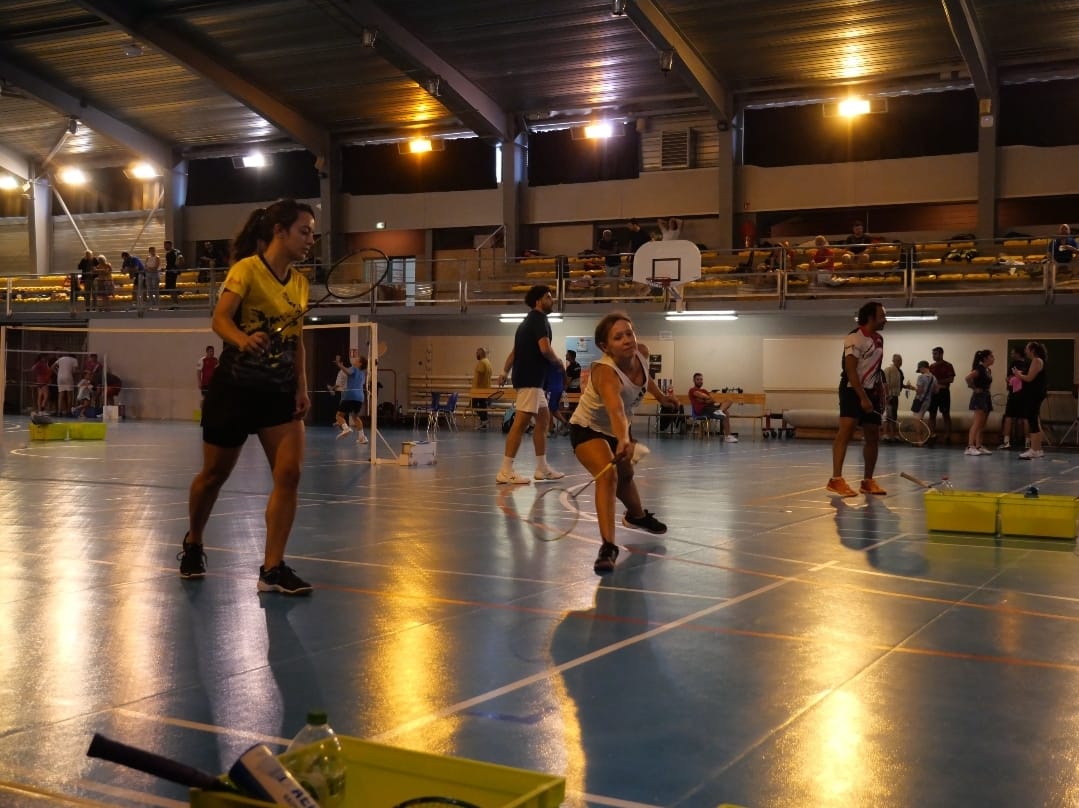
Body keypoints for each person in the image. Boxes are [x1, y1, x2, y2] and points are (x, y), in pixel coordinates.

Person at [179, 199, 315, 595]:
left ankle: (272, 569)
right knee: (213, 477)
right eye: (304, 231)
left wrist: (302, 387)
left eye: (313, 233)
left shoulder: (301, 283)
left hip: (279, 393)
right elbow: (220, 319)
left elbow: (297, 341)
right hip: (235, 390)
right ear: (279, 232)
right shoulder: (246, 270)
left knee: (289, 474)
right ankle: (194, 542)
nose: (311, 239)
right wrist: (242, 339)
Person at [568, 311, 680, 573]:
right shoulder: (605, 373)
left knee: (626, 476)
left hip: (618, 430)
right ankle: (608, 546)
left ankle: (636, 516)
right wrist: (623, 438)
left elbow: (644, 377)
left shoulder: (641, 353)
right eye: (618, 337)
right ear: (605, 347)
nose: (627, 340)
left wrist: (661, 398)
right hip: (588, 428)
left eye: (629, 333)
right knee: (608, 477)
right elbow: (616, 409)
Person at [495, 284, 564, 484]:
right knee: (520, 424)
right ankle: (505, 471)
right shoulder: (539, 319)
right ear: (539, 301)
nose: (552, 300)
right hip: (531, 379)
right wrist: (558, 362)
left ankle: (542, 468)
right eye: (548, 297)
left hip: (533, 381)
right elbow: (545, 349)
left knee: (543, 420)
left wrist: (504, 371)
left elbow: (514, 352)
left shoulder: (525, 323)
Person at [828, 300, 887, 497]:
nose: (885, 319)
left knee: (873, 436)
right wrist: (862, 397)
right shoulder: (854, 338)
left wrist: (879, 393)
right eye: (882, 315)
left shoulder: (879, 339)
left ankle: (868, 482)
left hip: (871, 392)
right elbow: (851, 370)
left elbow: (875, 370)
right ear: (871, 317)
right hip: (851, 390)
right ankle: (836, 480)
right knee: (845, 432)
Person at [1013, 341, 1048, 459]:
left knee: (1032, 420)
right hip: (1034, 394)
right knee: (1034, 420)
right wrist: (1021, 373)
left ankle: (1034, 449)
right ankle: (1037, 449)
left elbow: (1029, 378)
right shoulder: (1036, 361)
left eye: (1027, 349)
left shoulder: (1036, 360)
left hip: (1034, 394)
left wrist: (1018, 374)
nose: (1025, 351)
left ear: (1032, 350)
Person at [687, 373, 737, 442]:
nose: (700, 381)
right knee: (725, 414)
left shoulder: (704, 390)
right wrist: (705, 399)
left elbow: (712, 400)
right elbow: (703, 396)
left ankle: (720, 411)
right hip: (702, 410)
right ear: (694, 380)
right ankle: (728, 436)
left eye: (701, 379)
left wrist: (703, 399)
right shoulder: (692, 390)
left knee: (729, 400)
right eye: (698, 379)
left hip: (710, 407)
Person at [964, 349, 994, 456]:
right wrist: (974, 388)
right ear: (985, 358)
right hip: (979, 397)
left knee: (982, 423)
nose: (993, 359)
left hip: (986, 396)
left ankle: (979, 446)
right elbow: (967, 378)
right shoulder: (979, 369)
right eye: (991, 356)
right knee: (977, 422)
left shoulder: (988, 370)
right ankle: (970, 447)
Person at [334, 350, 368, 444]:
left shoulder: (354, 369)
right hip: (360, 397)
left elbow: (349, 372)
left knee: (339, 415)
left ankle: (346, 428)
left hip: (350, 395)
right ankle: (362, 437)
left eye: (357, 359)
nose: (355, 360)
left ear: (360, 363)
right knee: (355, 417)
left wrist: (339, 365)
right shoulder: (363, 373)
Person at [999, 347, 1028, 450]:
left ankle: (1006, 442)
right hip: (1026, 395)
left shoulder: (1013, 364)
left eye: (1013, 353)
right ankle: (1027, 442)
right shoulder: (1029, 364)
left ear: (1018, 354)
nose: (1011, 355)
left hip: (1014, 394)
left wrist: (1009, 379)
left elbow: (1009, 378)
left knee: (1009, 416)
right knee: (1025, 418)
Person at [927, 346, 956, 443]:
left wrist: (937, 382)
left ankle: (947, 436)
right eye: (933, 354)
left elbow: (951, 379)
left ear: (941, 354)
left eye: (935, 354)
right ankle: (931, 435)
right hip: (933, 394)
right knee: (932, 415)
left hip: (944, 393)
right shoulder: (931, 366)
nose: (933, 356)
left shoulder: (948, 365)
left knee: (946, 414)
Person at [882, 353, 915, 442]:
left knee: (893, 416)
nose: (899, 362)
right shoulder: (888, 370)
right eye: (897, 360)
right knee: (887, 415)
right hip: (888, 396)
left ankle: (893, 435)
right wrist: (886, 396)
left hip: (895, 395)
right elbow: (884, 383)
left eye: (900, 360)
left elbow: (900, 384)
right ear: (893, 361)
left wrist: (907, 387)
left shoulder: (900, 372)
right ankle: (885, 434)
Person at [545, 358, 569, 437]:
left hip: (551, 389)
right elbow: (565, 377)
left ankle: (550, 429)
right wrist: (564, 387)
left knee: (548, 409)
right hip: (559, 389)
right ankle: (566, 423)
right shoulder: (559, 363)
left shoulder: (547, 363)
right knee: (554, 409)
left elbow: (544, 378)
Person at [471, 347, 494, 430]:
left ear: (480, 354)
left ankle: (484, 420)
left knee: (473, 405)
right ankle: (484, 423)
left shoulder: (481, 363)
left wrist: (475, 389)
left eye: (477, 353)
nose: (476, 355)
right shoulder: (488, 362)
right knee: (483, 407)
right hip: (486, 389)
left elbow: (480, 377)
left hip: (479, 390)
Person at [164, 239, 184, 307]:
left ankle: (176, 303)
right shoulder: (168, 253)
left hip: (173, 272)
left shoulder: (176, 251)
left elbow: (181, 259)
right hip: (168, 271)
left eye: (166, 245)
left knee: (172, 287)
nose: (165, 247)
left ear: (169, 245)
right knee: (170, 288)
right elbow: (169, 264)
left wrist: (177, 268)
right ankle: (174, 303)